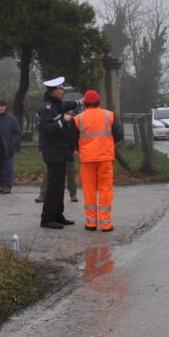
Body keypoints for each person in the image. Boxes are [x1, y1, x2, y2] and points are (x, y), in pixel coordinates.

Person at [74, 89, 123, 232]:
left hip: (87, 159)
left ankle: (91, 223)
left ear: (85, 104)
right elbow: (119, 136)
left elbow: (72, 138)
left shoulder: (79, 118)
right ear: (98, 101)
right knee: (105, 190)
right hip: (105, 158)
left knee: (89, 191)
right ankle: (106, 224)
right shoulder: (109, 116)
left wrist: (78, 147)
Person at [37, 76, 78, 229]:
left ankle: (58, 215)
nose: (62, 91)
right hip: (53, 152)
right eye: (60, 89)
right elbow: (45, 128)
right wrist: (63, 121)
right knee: (53, 186)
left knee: (59, 185)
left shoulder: (55, 104)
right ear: (54, 91)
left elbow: (65, 106)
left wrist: (80, 102)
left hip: (60, 152)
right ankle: (47, 218)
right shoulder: (46, 107)